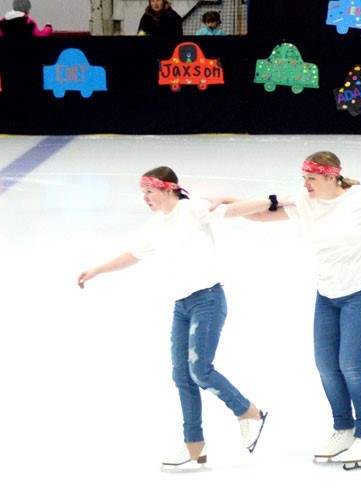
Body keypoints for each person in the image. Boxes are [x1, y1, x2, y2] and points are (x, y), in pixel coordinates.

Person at [224, 151, 361, 469]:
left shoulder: (360, 198)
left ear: (330, 177)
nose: (305, 183)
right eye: (304, 178)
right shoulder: (304, 201)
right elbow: (259, 215)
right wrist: (222, 204)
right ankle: (344, 429)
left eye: (311, 178)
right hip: (327, 296)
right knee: (326, 366)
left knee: (351, 365)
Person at [77, 166, 270, 472]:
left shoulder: (191, 209)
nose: (145, 198)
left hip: (208, 299)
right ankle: (194, 444)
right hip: (182, 306)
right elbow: (134, 254)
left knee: (201, 370)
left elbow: (234, 211)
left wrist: (273, 200)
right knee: (182, 376)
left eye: (149, 192)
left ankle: (248, 412)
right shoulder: (157, 225)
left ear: (168, 189)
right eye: (143, 193)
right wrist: (97, 270)